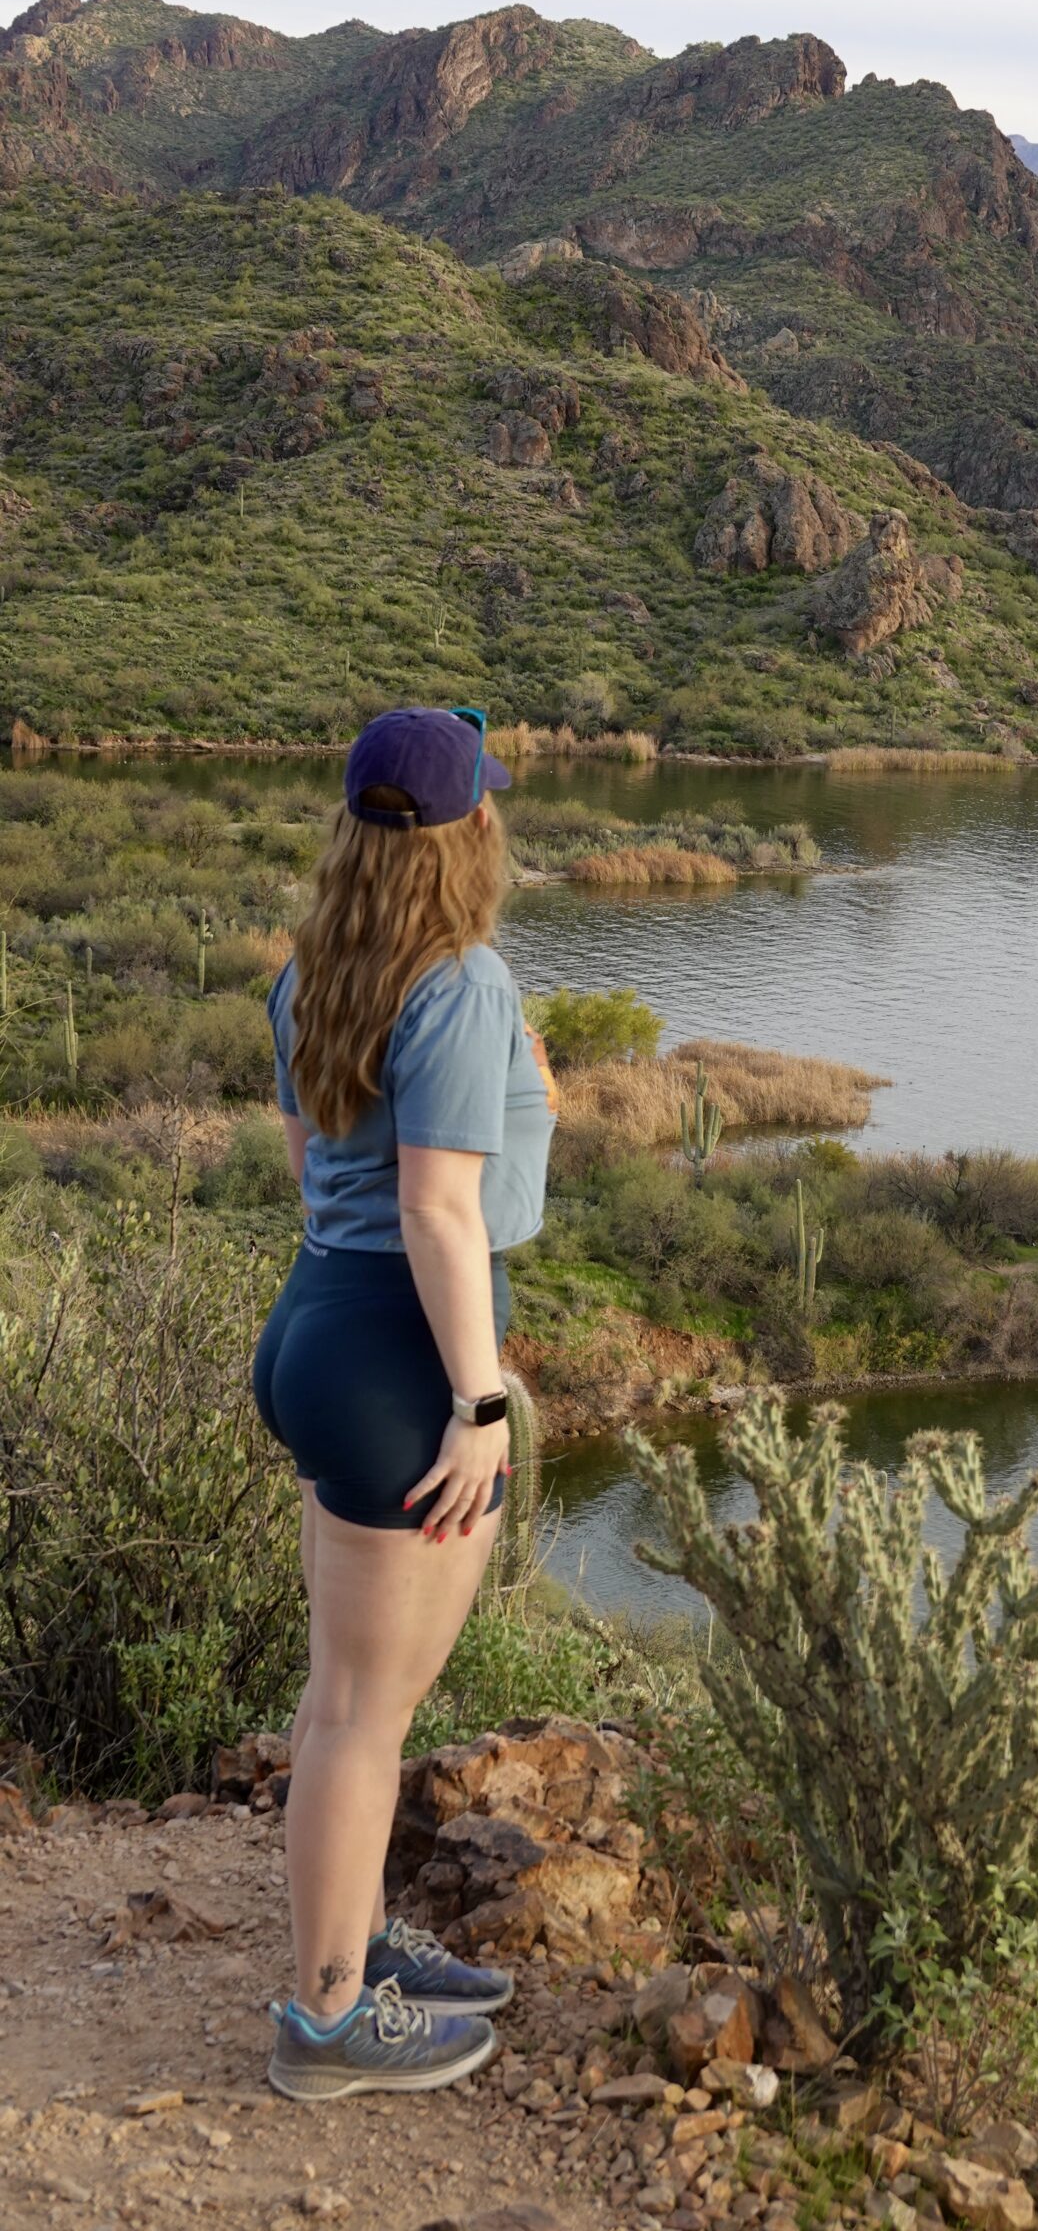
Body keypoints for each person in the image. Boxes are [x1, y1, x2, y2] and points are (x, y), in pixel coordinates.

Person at [252, 707, 556, 2101]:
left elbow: (326, 1171)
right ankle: (325, 2020)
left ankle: (355, 1950)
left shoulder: (318, 968)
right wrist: (478, 1402)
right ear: (469, 832)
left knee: (343, 1698)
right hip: (396, 1353)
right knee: (364, 1715)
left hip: (320, 1319)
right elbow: (441, 1213)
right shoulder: (462, 980)